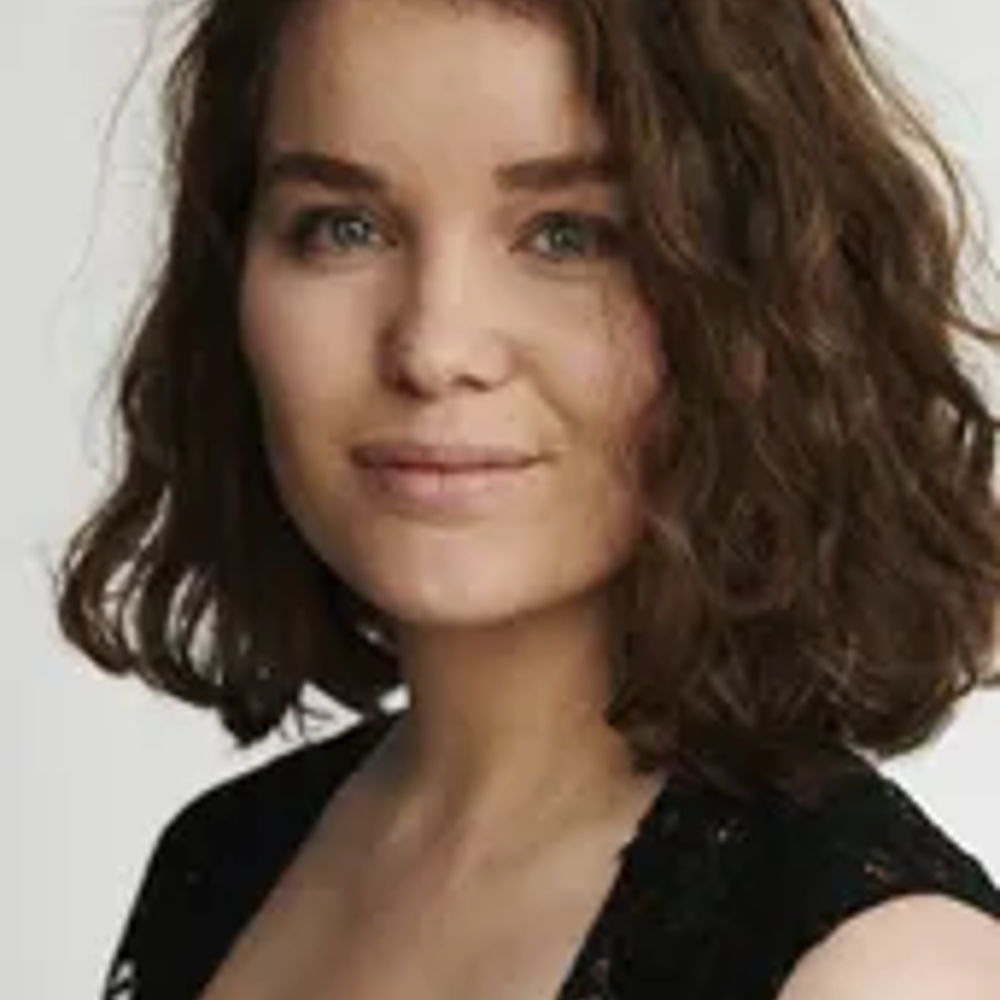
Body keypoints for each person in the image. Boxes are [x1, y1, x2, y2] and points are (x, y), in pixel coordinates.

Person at [55, 0, 1000, 997]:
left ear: (759, 302)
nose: (433, 347)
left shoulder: (884, 970)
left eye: (567, 235)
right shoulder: (225, 860)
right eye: (344, 227)